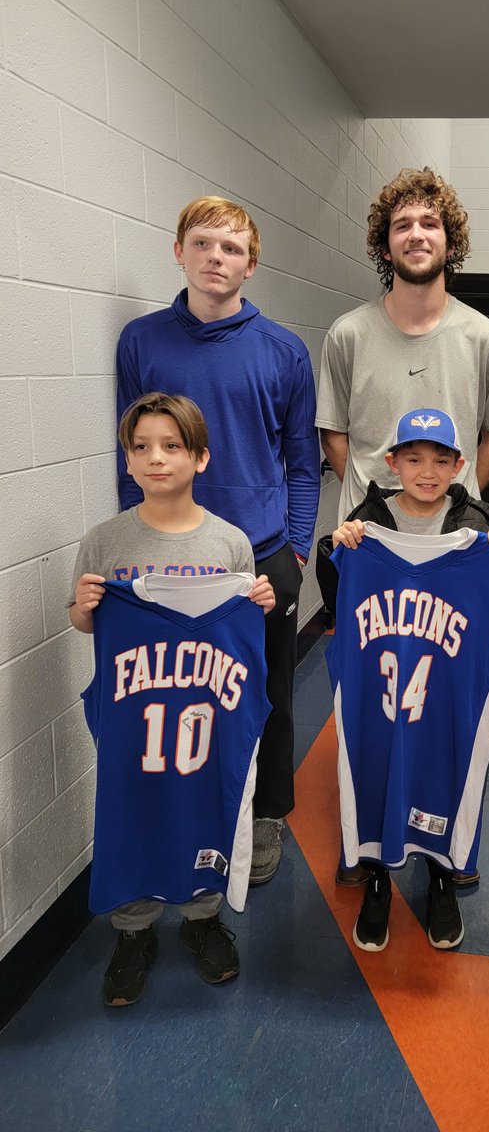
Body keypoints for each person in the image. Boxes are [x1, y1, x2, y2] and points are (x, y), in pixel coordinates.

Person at [116, 197, 319, 886]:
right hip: (168, 555)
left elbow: (301, 460)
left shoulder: (284, 350)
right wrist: (130, 545)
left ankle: (266, 815)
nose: (215, 258)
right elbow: (131, 451)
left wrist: (294, 546)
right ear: (179, 251)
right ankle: (197, 811)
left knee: (267, 693)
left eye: (231, 249)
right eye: (203, 243)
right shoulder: (142, 341)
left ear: (251, 265)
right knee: (182, 693)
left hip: (261, 555)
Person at [69, 393, 275, 1006]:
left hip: (204, 713)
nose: (156, 458)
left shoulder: (230, 544)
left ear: (201, 457)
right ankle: (132, 932)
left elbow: (241, 639)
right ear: (127, 461)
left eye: (171, 445)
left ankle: (202, 917)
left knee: (201, 806)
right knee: (130, 814)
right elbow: (87, 627)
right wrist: (83, 609)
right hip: (135, 713)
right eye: (141, 447)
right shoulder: (104, 542)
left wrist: (257, 604)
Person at [317, 408, 489, 950]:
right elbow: (334, 590)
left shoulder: (478, 522)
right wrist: (333, 548)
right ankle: (379, 877)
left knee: (441, 777)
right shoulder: (368, 520)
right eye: (413, 458)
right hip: (380, 699)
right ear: (392, 463)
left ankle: (439, 879)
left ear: (459, 466)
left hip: (443, 695)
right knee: (377, 773)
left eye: (439, 460)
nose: (426, 471)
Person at [316, 166, 489, 523]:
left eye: (429, 223)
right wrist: (377, 503)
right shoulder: (348, 334)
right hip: (368, 530)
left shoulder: (485, 338)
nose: (416, 235)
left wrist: (457, 499)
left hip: (452, 533)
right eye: (402, 225)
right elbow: (333, 434)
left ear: (450, 243)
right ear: (386, 249)